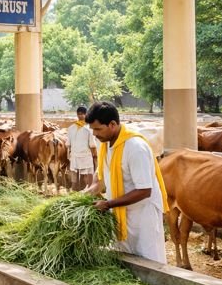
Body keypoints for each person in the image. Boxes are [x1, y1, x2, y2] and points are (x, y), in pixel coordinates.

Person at [83, 101, 168, 263]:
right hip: (120, 213)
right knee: (124, 259)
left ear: (112, 124)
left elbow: (144, 190)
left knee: (148, 260)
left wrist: (108, 204)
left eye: (98, 129)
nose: (94, 134)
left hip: (142, 216)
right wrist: (83, 196)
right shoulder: (105, 146)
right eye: (92, 129)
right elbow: (99, 181)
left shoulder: (135, 148)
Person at [65, 105, 97, 191]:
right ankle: (81, 190)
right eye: (79, 114)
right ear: (77, 115)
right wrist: (94, 155)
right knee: (82, 174)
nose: (80, 116)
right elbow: (92, 145)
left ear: (86, 114)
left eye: (82, 114)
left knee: (82, 174)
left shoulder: (86, 128)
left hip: (81, 155)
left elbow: (67, 144)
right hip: (80, 155)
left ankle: (83, 190)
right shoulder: (86, 129)